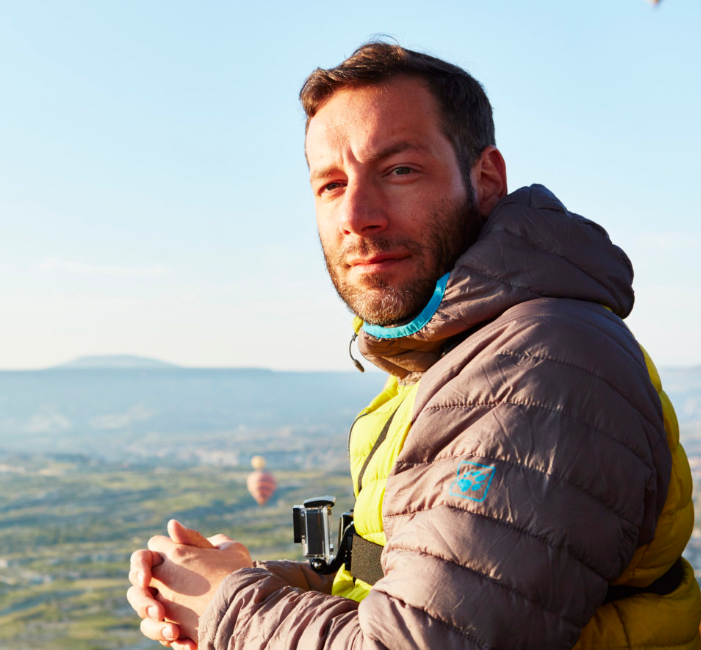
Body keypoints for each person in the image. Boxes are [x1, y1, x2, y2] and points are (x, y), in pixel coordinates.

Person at [126, 42, 700, 649]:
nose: (357, 214)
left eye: (398, 170)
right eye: (330, 184)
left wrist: (231, 608)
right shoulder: (451, 358)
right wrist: (246, 583)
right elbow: (411, 589)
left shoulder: (542, 365)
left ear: (485, 181)